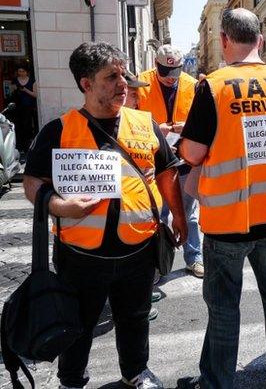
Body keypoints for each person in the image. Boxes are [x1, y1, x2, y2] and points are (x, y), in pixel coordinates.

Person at [22, 42, 187, 389]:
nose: (123, 83)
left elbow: (168, 171)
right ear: (86, 84)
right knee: (78, 323)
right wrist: (58, 205)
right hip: (81, 255)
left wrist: (180, 219)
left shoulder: (145, 123)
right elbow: (33, 182)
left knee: (135, 317)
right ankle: (71, 381)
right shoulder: (59, 131)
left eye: (124, 75)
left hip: (139, 249)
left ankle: (136, 372)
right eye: (111, 77)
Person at [179, 8, 266, 388]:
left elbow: (192, 153)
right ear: (261, 40)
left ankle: (217, 381)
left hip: (227, 218)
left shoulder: (213, 85)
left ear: (224, 40)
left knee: (223, 305)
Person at [137, 45, 204, 278]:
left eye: (174, 71)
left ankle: (194, 258)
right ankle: (158, 263)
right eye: (165, 72)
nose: (170, 78)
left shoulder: (192, 84)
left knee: (188, 213)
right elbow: (129, 117)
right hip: (153, 161)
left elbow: (202, 120)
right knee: (158, 215)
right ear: (156, 65)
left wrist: (187, 127)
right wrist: (156, 129)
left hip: (183, 158)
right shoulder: (141, 83)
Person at [124, 70, 164, 321]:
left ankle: (142, 294)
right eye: (133, 92)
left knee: (141, 263)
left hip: (144, 215)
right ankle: (134, 303)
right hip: (121, 217)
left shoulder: (143, 122)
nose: (138, 97)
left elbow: (164, 167)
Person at [11, 63, 37, 158]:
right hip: (17, 107)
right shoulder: (14, 80)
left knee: (27, 126)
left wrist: (25, 90)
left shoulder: (32, 81)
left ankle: (27, 147)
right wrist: (14, 89)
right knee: (18, 126)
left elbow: (35, 95)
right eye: (19, 71)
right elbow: (10, 92)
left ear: (27, 72)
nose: (21, 73)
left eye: (23, 71)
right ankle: (19, 147)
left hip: (28, 106)